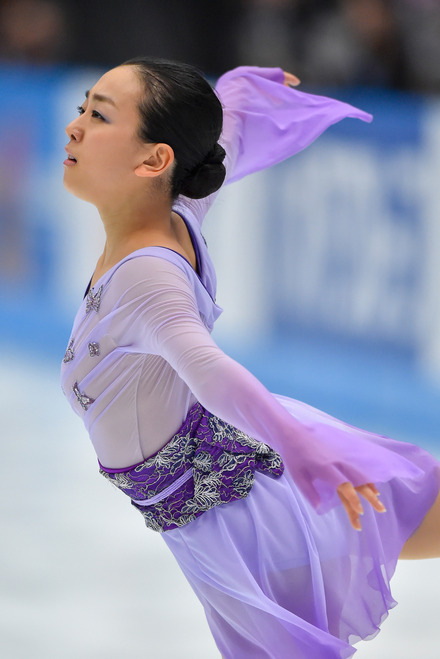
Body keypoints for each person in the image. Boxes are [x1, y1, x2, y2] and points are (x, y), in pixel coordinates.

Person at [61, 57, 440, 659]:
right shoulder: (179, 212)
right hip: (246, 485)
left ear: (154, 160)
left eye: (99, 116)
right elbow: (226, 143)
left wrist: (300, 446)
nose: (74, 127)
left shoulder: (148, 277)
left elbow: (208, 367)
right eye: (83, 107)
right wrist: (233, 97)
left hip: (251, 525)